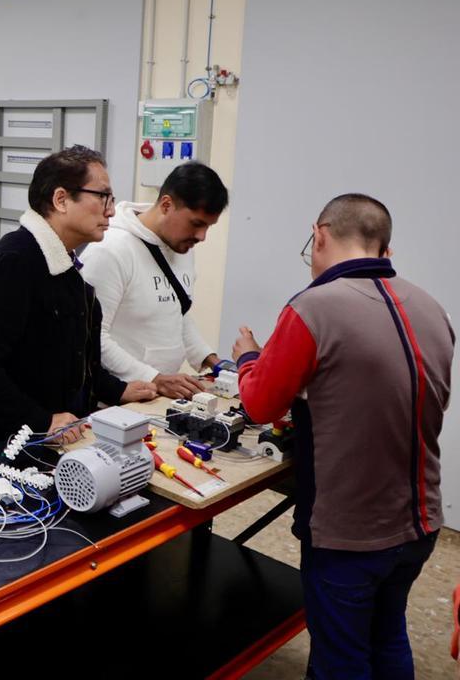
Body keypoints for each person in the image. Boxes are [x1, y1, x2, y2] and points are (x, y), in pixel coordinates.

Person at [232, 193, 453, 680]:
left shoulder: (313, 308)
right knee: (388, 631)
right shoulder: (432, 308)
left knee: (341, 658)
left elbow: (259, 405)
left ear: (321, 234)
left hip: (350, 534)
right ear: (384, 249)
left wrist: (249, 357)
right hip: (422, 522)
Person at [0, 147, 157, 454]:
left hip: (54, 438)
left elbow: (69, 355)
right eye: (102, 197)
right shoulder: (13, 262)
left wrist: (117, 389)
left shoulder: (63, 264)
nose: (110, 210)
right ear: (61, 200)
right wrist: (42, 420)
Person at [80, 162, 229, 400]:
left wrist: (210, 359)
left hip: (158, 395)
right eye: (197, 224)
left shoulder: (181, 247)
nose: (202, 237)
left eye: (208, 227)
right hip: (115, 400)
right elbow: (90, 337)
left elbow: (176, 311)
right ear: (167, 205)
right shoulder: (109, 251)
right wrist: (154, 378)